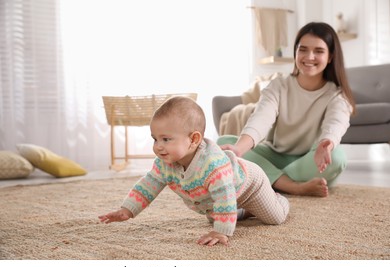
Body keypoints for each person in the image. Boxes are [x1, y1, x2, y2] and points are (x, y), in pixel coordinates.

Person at [99, 96, 289, 246]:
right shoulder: (165, 163)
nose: (158, 147)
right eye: (155, 139)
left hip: (251, 185)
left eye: (166, 139)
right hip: (215, 198)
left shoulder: (213, 166)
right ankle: (243, 212)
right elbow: (148, 184)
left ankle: (278, 198)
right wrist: (127, 210)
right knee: (215, 216)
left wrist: (221, 231)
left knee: (275, 218)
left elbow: (225, 197)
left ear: (194, 139)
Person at [218, 22, 356, 198]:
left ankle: (267, 179)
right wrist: (238, 150)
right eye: (303, 49)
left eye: (319, 51)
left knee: (337, 158)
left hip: (309, 159)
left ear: (330, 57)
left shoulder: (337, 95)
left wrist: (327, 143)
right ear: (296, 52)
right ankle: (293, 186)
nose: (309, 56)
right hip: (274, 155)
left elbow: (336, 122)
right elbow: (261, 118)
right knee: (225, 142)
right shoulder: (278, 86)